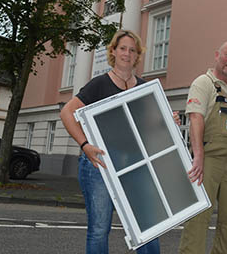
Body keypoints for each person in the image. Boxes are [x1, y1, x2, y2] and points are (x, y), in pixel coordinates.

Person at [61, 30, 162, 254]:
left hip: (135, 163)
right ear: (113, 52)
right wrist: (85, 145)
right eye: (123, 48)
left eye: (132, 50)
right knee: (99, 229)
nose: (127, 53)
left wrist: (167, 120)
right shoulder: (99, 85)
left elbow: (147, 127)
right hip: (101, 164)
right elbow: (67, 113)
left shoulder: (144, 88)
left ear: (138, 56)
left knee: (148, 225)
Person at [178, 41, 227, 254]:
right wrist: (197, 155)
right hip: (208, 159)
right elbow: (196, 118)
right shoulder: (204, 83)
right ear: (217, 55)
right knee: (199, 217)